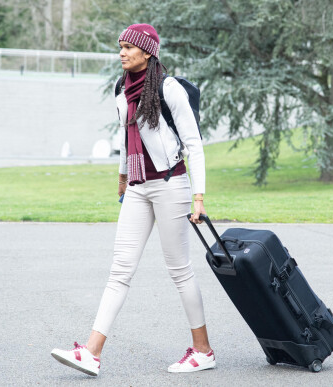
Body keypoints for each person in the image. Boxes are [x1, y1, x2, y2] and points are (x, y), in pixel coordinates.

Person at [51, 23, 215, 375]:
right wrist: (123, 176)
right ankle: (91, 353)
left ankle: (203, 351)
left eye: (128, 47)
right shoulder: (120, 87)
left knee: (180, 271)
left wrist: (198, 196)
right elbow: (127, 137)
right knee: (120, 270)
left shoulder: (169, 89)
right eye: (120, 46)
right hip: (139, 187)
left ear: (147, 52)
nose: (122, 52)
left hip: (172, 184)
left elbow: (193, 144)